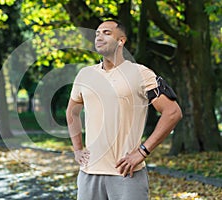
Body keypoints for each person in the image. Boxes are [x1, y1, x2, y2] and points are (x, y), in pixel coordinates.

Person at [66, 20, 182, 200]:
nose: (99, 37)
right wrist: (77, 149)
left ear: (121, 41)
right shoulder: (85, 74)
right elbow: (72, 112)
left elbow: (172, 112)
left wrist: (143, 151)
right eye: (97, 33)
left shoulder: (141, 73)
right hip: (88, 174)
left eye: (106, 33)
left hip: (126, 174)